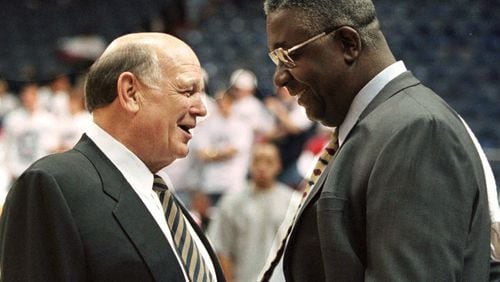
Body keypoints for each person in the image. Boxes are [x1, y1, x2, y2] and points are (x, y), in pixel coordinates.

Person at [260, 0, 495, 281]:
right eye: (276, 59)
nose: (280, 78)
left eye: (288, 56)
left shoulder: (417, 130)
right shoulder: (378, 126)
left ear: (348, 43)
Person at [0, 32, 224, 282]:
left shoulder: (162, 194)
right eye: (186, 91)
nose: (201, 109)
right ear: (130, 93)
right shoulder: (53, 185)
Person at [208, 142, 300, 282]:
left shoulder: (293, 202)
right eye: (257, 161)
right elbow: (222, 250)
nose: (262, 167)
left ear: (278, 165)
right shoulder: (231, 202)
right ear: (250, 165)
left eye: (269, 162)